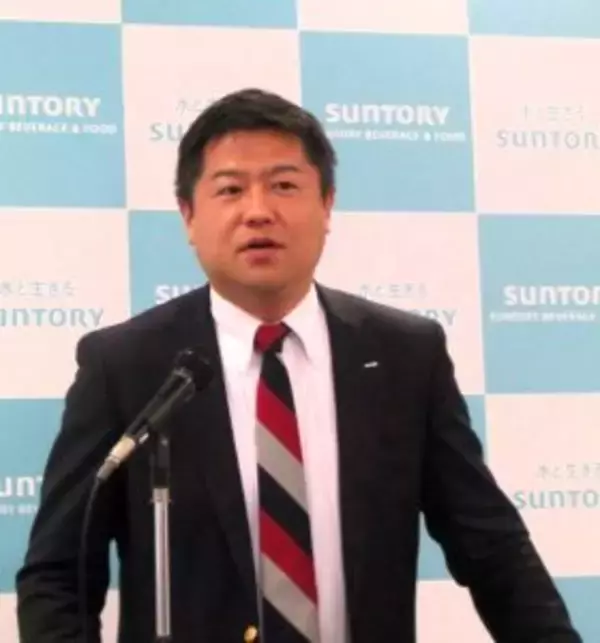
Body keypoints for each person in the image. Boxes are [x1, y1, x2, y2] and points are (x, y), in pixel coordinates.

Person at [16, 88, 581, 643]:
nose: (258, 211)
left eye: (284, 185)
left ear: (327, 204)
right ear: (188, 216)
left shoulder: (405, 355)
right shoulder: (126, 365)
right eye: (230, 189)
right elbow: (60, 576)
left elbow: (491, 548)